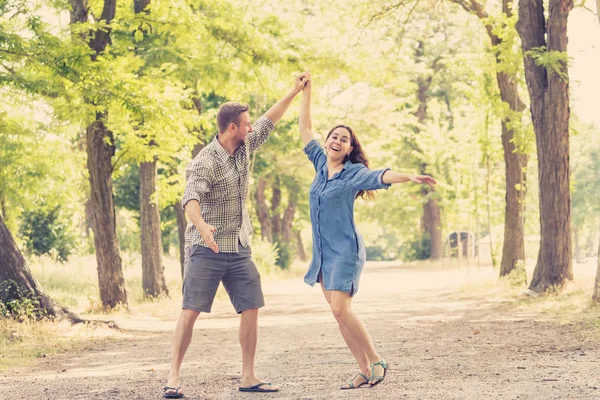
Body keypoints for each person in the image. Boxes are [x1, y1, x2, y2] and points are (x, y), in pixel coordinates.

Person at [163, 72, 309, 399]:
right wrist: (201, 226)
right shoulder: (206, 160)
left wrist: (294, 91)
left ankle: (248, 376)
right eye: (245, 125)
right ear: (232, 128)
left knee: (251, 304)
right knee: (191, 310)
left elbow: (269, 120)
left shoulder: (244, 146)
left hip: (239, 244)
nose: (250, 128)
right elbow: (191, 198)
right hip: (207, 247)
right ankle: (173, 377)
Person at [298, 74, 437, 390]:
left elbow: (381, 175)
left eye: (344, 139)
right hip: (323, 253)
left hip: (346, 250)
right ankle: (363, 370)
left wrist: (409, 177)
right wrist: (307, 92)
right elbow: (305, 129)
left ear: (349, 149)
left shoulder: (355, 174)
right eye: (334, 136)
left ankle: (377, 361)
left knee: (340, 309)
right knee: (339, 316)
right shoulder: (320, 164)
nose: (336, 141)